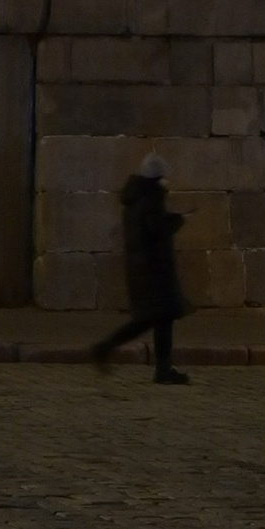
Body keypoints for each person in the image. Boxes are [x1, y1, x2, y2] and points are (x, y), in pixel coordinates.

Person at [91, 155, 190, 384]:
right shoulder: (152, 197)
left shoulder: (135, 199)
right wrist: (178, 220)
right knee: (149, 319)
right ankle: (105, 347)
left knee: (160, 319)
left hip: (144, 270)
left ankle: (163, 368)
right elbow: (157, 228)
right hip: (154, 272)